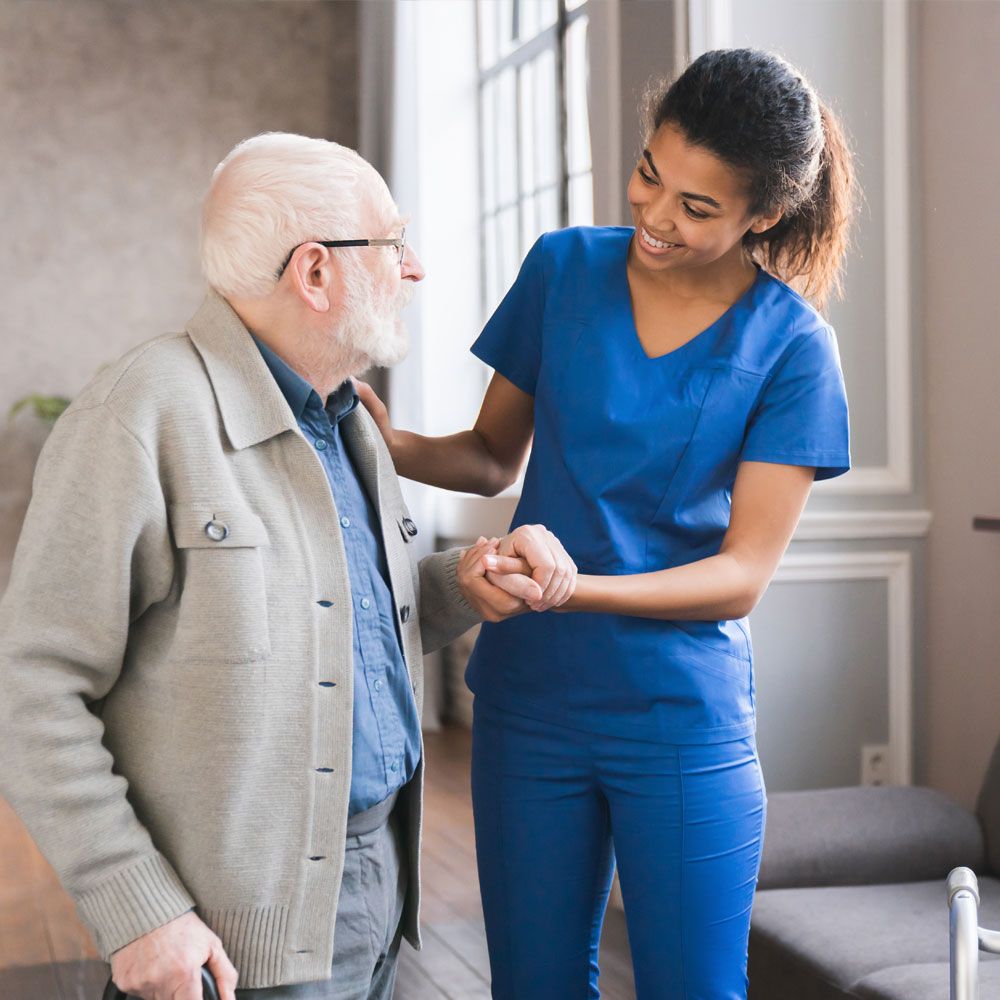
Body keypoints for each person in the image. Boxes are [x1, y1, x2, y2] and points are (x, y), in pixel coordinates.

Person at [0, 133, 576, 1000]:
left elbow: (327, 618)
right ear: (315, 273)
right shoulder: (138, 414)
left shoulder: (352, 425)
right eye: (391, 243)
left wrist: (463, 583)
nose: (413, 268)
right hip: (227, 942)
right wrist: (140, 912)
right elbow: (30, 687)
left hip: (378, 881)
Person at [356, 49, 855, 999]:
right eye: (650, 175)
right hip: (529, 700)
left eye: (697, 208)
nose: (656, 217)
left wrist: (571, 588)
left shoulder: (795, 348)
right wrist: (395, 443)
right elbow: (494, 457)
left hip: (679, 715)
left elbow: (742, 572)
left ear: (764, 214)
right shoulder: (563, 268)